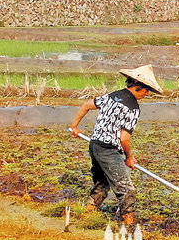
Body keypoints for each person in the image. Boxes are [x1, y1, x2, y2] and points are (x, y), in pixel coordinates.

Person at [70, 65, 163, 225]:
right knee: (127, 190)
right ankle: (129, 225)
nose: (147, 93)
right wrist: (129, 157)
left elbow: (86, 105)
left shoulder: (112, 96)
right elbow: (124, 138)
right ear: (137, 84)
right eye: (146, 89)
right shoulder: (133, 108)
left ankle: (85, 216)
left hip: (94, 146)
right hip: (108, 150)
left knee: (102, 184)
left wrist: (74, 126)